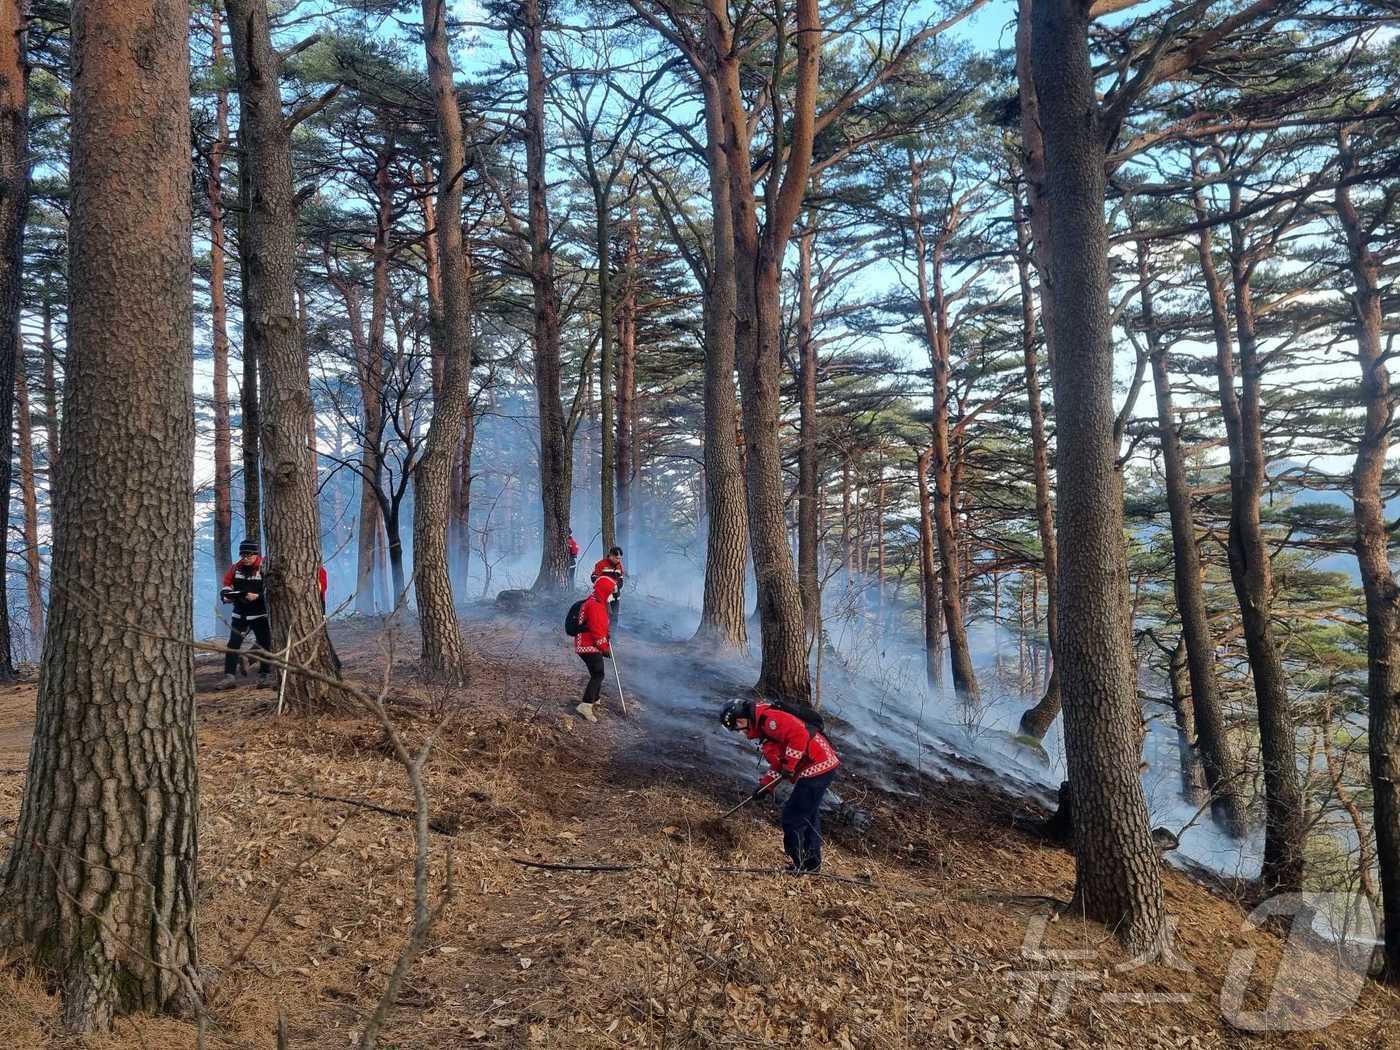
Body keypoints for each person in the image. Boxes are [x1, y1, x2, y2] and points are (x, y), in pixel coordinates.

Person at [720, 698, 841, 872]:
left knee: (793, 817)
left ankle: (801, 865)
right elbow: (778, 764)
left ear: (741, 720)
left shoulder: (770, 720)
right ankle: (811, 864)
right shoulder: (764, 731)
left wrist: (790, 765)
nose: (741, 733)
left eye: (737, 728)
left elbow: (799, 735)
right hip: (820, 764)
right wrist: (765, 786)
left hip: (817, 765)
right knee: (808, 815)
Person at [220, 539, 272, 688]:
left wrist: (258, 596)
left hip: (259, 613)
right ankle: (229, 677)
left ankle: (264, 675)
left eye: (249, 555)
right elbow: (227, 585)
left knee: (265, 643)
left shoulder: (264, 567)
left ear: (256, 555)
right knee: (233, 644)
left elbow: (271, 590)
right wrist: (225, 596)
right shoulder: (235, 568)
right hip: (239, 613)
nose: (246, 559)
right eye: (243, 555)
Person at [573, 575, 616, 724]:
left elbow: (602, 626)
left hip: (589, 644)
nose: (612, 595)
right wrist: (604, 648)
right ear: (604, 590)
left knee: (597, 672)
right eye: (611, 592)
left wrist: (607, 635)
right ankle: (585, 705)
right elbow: (596, 630)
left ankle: (595, 698)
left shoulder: (598, 601)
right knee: (598, 674)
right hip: (587, 645)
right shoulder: (595, 605)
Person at [590, 546, 625, 621]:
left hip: (615, 596)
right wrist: (605, 586)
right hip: (602, 596)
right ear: (611, 556)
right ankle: (602, 631)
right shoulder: (601, 564)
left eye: (620, 558)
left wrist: (616, 587)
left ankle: (613, 632)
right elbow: (594, 578)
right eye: (617, 558)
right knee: (603, 616)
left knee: (615, 617)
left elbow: (621, 581)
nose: (618, 560)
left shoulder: (619, 566)